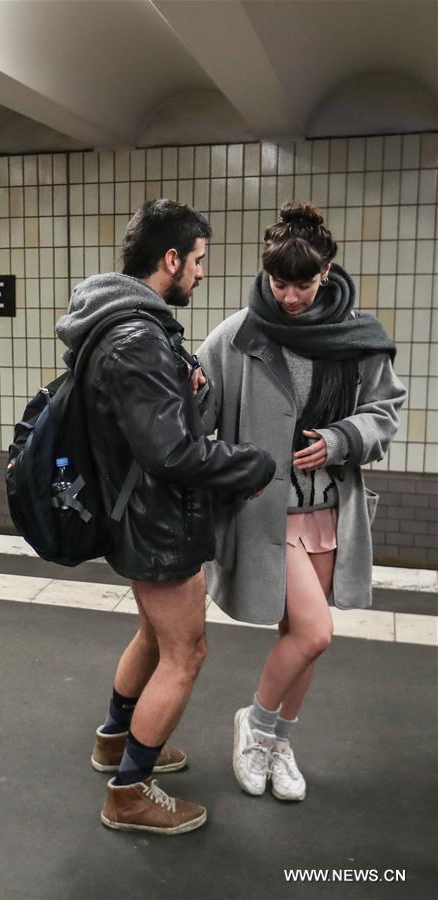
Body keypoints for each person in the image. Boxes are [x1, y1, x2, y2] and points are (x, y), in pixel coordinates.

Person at [55, 200, 275, 834]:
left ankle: (114, 742)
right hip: (157, 523)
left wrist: (188, 390)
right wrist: (252, 465)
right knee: (186, 652)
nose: (202, 272)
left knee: (154, 637)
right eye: (198, 260)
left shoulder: (117, 322)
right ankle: (129, 792)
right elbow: (170, 452)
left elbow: (152, 429)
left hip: (137, 513)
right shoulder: (138, 338)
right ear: (170, 259)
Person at [198, 202, 406, 803]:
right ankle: (255, 722)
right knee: (316, 633)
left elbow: (385, 412)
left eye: (303, 284)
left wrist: (342, 439)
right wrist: (189, 395)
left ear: (327, 272)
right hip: (266, 510)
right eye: (278, 283)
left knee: (300, 635)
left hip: (329, 509)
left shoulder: (358, 337)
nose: (289, 297)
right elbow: (199, 419)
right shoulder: (237, 336)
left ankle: (278, 743)